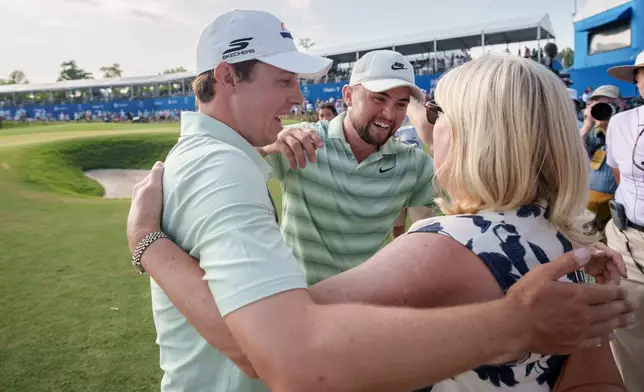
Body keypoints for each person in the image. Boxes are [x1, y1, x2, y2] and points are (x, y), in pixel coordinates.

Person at [127, 11, 633, 390]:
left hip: (327, 344)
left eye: (417, 107)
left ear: (473, 133)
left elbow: (265, 349)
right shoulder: (573, 245)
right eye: (284, 81)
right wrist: (269, 145)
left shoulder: (438, 242)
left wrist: (148, 246)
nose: (406, 119)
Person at [256, 49, 436, 284]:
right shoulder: (303, 141)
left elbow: (430, 231)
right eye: (379, 98)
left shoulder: (413, 164)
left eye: (400, 104)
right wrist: (266, 146)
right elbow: (228, 162)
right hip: (298, 302)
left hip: (361, 306)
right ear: (348, 96)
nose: (389, 114)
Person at [605, 51, 644, 391]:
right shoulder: (621, 123)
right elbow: (619, 177)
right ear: (637, 81)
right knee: (629, 329)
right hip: (632, 239)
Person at [580, 85, 624, 236]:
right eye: (596, 105)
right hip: (590, 204)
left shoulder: (627, 130)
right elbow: (570, 157)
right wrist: (587, 125)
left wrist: (609, 126)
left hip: (617, 207)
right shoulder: (592, 133)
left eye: (606, 105)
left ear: (619, 105)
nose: (601, 110)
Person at [391, 119, 437, 238]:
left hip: (418, 180)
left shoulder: (415, 106)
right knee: (397, 228)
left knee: (425, 229)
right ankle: (401, 255)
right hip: (393, 180)